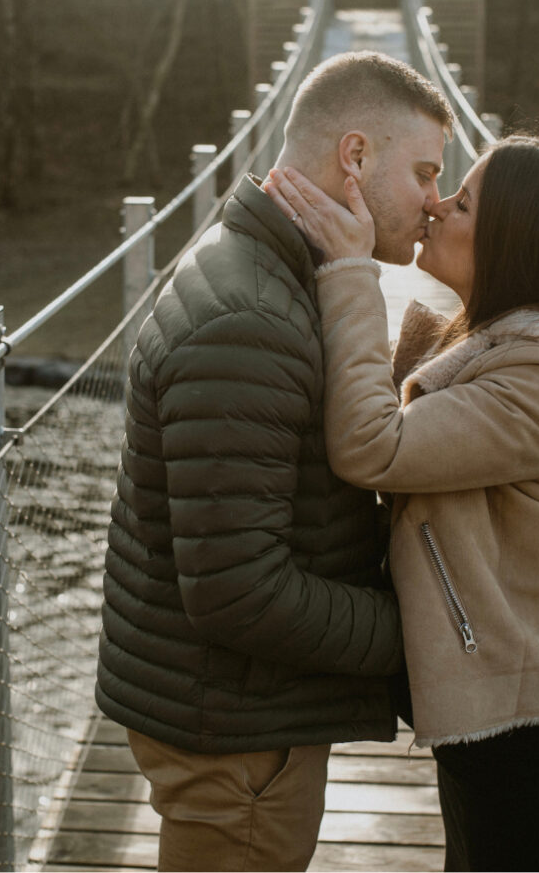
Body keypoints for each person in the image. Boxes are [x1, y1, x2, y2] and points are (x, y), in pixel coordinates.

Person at [94, 51, 455, 872]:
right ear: (354, 157)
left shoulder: (268, 272)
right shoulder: (250, 321)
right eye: (426, 173)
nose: (435, 203)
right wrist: (416, 636)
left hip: (233, 709)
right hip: (235, 731)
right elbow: (235, 589)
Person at [263, 134, 539, 872]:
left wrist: (351, 270)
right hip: (505, 736)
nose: (436, 206)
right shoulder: (508, 341)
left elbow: (373, 447)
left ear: (521, 243)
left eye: (462, 201)